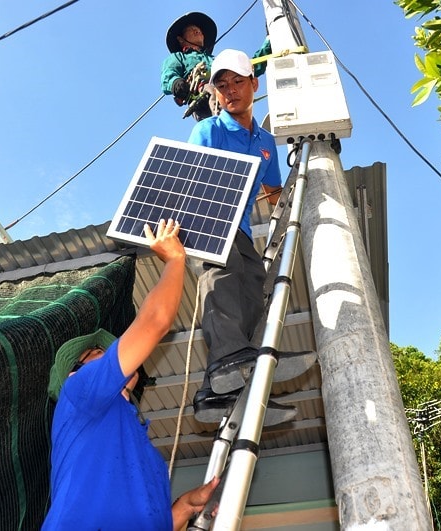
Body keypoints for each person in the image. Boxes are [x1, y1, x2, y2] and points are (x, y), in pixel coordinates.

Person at [41, 218, 219, 530]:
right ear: (74, 374)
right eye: (98, 352)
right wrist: (175, 260)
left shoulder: (143, 453)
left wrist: (184, 507)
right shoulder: (79, 393)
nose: (110, 354)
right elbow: (154, 321)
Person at [187, 49, 316, 425]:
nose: (230, 91)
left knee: (253, 289)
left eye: (237, 82)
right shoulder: (208, 130)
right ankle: (229, 358)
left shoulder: (264, 141)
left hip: (241, 229)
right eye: (222, 85)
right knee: (221, 275)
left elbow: (274, 191)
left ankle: (218, 389)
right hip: (211, 217)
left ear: (254, 85)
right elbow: (196, 179)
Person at [160, 12, 271, 121]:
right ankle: (222, 125)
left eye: (199, 30)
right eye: (191, 29)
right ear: (180, 39)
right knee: (213, 91)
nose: (197, 31)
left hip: (224, 92)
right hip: (203, 97)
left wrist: (269, 41)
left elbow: (247, 68)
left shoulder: (216, 60)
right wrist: (176, 84)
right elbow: (168, 75)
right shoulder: (178, 57)